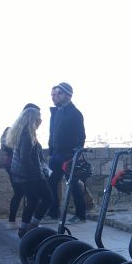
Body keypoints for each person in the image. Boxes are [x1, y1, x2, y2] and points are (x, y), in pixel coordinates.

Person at [6, 105, 52, 237]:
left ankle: (23, 229)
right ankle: (33, 225)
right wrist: (38, 176)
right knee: (48, 198)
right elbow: (25, 158)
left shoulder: (22, 133)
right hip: (31, 176)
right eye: (39, 118)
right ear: (32, 119)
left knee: (32, 200)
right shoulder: (27, 135)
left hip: (20, 176)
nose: (41, 120)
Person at [47, 82, 87, 222]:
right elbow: (52, 134)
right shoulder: (56, 112)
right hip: (56, 154)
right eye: (54, 94)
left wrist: (74, 155)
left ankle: (81, 215)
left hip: (68, 155)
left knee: (74, 184)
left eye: (59, 94)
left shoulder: (75, 114)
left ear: (68, 95)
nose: (55, 96)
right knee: (51, 183)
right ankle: (53, 212)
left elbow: (81, 136)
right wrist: (51, 151)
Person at [0, 104, 38, 228]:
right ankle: (26, 223)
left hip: (11, 166)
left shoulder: (11, 130)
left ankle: (13, 221)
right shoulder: (25, 132)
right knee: (29, 195)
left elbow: (4, 147)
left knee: (18, 194)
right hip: (20, 167)